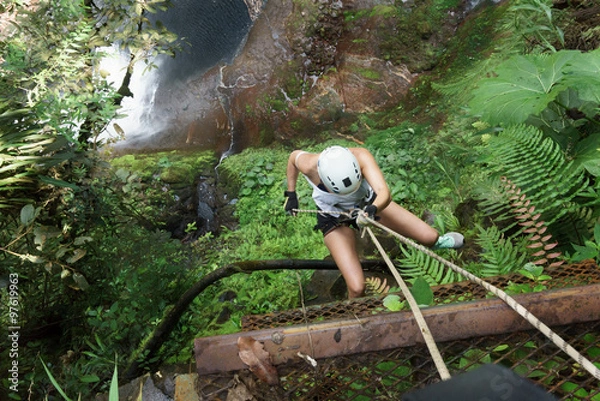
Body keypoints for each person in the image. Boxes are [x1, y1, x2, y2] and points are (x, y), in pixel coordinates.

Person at [284, 145, 463, 299]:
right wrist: (291, 194)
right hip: (334, 217)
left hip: (369, 205)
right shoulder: (309, 165)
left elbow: (383, 192)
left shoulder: (361, 156)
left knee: (429, 237)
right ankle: (355, 318)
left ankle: (438, 242)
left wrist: (371, 210)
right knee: (357, 287)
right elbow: (293, 158)